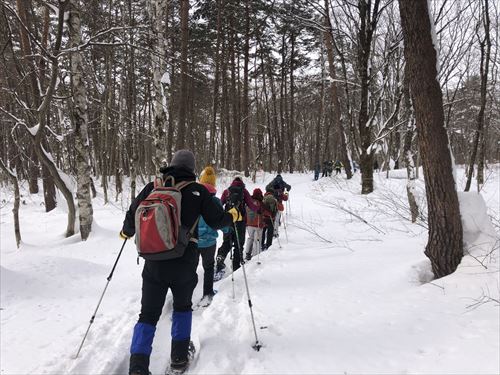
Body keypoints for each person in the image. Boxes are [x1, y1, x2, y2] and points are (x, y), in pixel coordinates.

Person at [120, 150, 238, 375]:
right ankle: (179, 358)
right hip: (184, 262)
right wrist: (233, 216)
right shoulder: (198, 191)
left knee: (147, 314)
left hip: (153, 262)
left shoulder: (152, 187)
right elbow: (217, 220)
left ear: (172, 165)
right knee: (182, 308)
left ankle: (137, 367)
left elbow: (132, 214)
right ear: (192, 170)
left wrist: (126, 232)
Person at [196, 166, 228, 306]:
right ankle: (207, 294)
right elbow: (221, 222)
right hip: (209, 242)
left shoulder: (193, 199)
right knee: (209, 267)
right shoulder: (215, 202)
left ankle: (184, 297)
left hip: (193, 241)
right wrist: (227, 230)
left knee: (190, 268)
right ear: (213, 185)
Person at [216, 177, 259, 273]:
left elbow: (220, 204)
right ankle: (236, 265)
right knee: (239, 244)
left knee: (227, 241)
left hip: (228, 220)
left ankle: (221, 257)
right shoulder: (244, 191)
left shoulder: (227, 191)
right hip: (240, 221)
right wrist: (258, 208)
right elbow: (251, 206)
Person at [244, 188, 264, 261]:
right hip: (258, 224)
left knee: (250, 238)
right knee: (257, 240)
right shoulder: (260, 203)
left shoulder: (249, 202)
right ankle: (256, 255)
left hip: (249, 224)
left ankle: (247, 253)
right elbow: (263, 213)